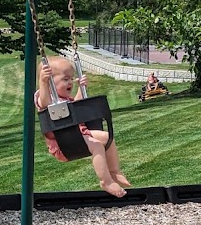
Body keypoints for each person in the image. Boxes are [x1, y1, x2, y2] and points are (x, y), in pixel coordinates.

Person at [36, 56, 131, 198]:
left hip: (80, 134)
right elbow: (44, 103)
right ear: (49, 81)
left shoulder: (65, 99)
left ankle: (114, 171)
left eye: (71, 78)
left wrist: (81, 88)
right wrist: (43, 82)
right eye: (65, 79)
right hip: (63, 144)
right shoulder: (46, 97)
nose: (70, 82)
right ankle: (106, 181)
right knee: (97, 146)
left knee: (107, 138)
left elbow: (77, 108)